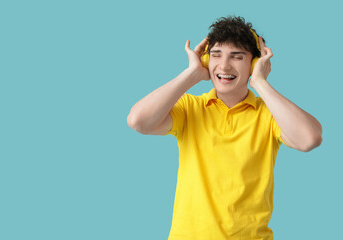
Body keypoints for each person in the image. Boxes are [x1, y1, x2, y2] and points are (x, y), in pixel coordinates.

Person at [127, 16, 322, 240]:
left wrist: (260, 82)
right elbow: (138, 121)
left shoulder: (268, 114)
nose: (224, 65)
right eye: (216, 55)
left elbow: (310, 138)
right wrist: (191, 75)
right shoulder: (190, 108)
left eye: (237, 57)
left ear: (254, 63)